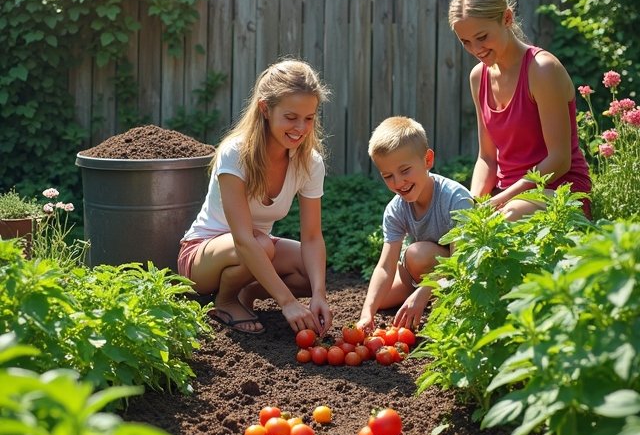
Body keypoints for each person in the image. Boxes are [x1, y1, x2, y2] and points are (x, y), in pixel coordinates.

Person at [178, 59, 333, 337]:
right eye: (291, 117)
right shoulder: (236, 153)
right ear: (265, 109)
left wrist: (319, 294)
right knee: (262, 244)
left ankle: (244, 294)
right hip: (203, 256)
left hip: (257, 249)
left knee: (310, 272)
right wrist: (287, 302)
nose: (300, 127)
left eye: (309, 118)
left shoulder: (309, 162)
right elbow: (243, 239)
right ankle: (224, 301)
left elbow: (312, 237)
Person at [448, 0, 591, 220]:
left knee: (510, 215)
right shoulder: (478, 77)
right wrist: (472, 205)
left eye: (482, 37)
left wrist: (502, 200)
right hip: (507, 198)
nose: (476, 49)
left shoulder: (542, 69)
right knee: (453, 232)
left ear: (507, 18)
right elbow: (487, 157)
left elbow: (559, 160)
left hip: (560, 193)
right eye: (466, 42)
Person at [357, 116, 473, 334]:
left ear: (427, 160)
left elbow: (462, 261)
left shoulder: (456, 199)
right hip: (420, 272)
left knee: (418, 253)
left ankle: (436, 296)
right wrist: (367, 314)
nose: (398, 183)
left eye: (405, 170)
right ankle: (427, 293)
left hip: (461, 271)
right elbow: (385, 266)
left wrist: (424, 291)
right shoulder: (396, 209)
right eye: (388, 176)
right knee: (380, 301)